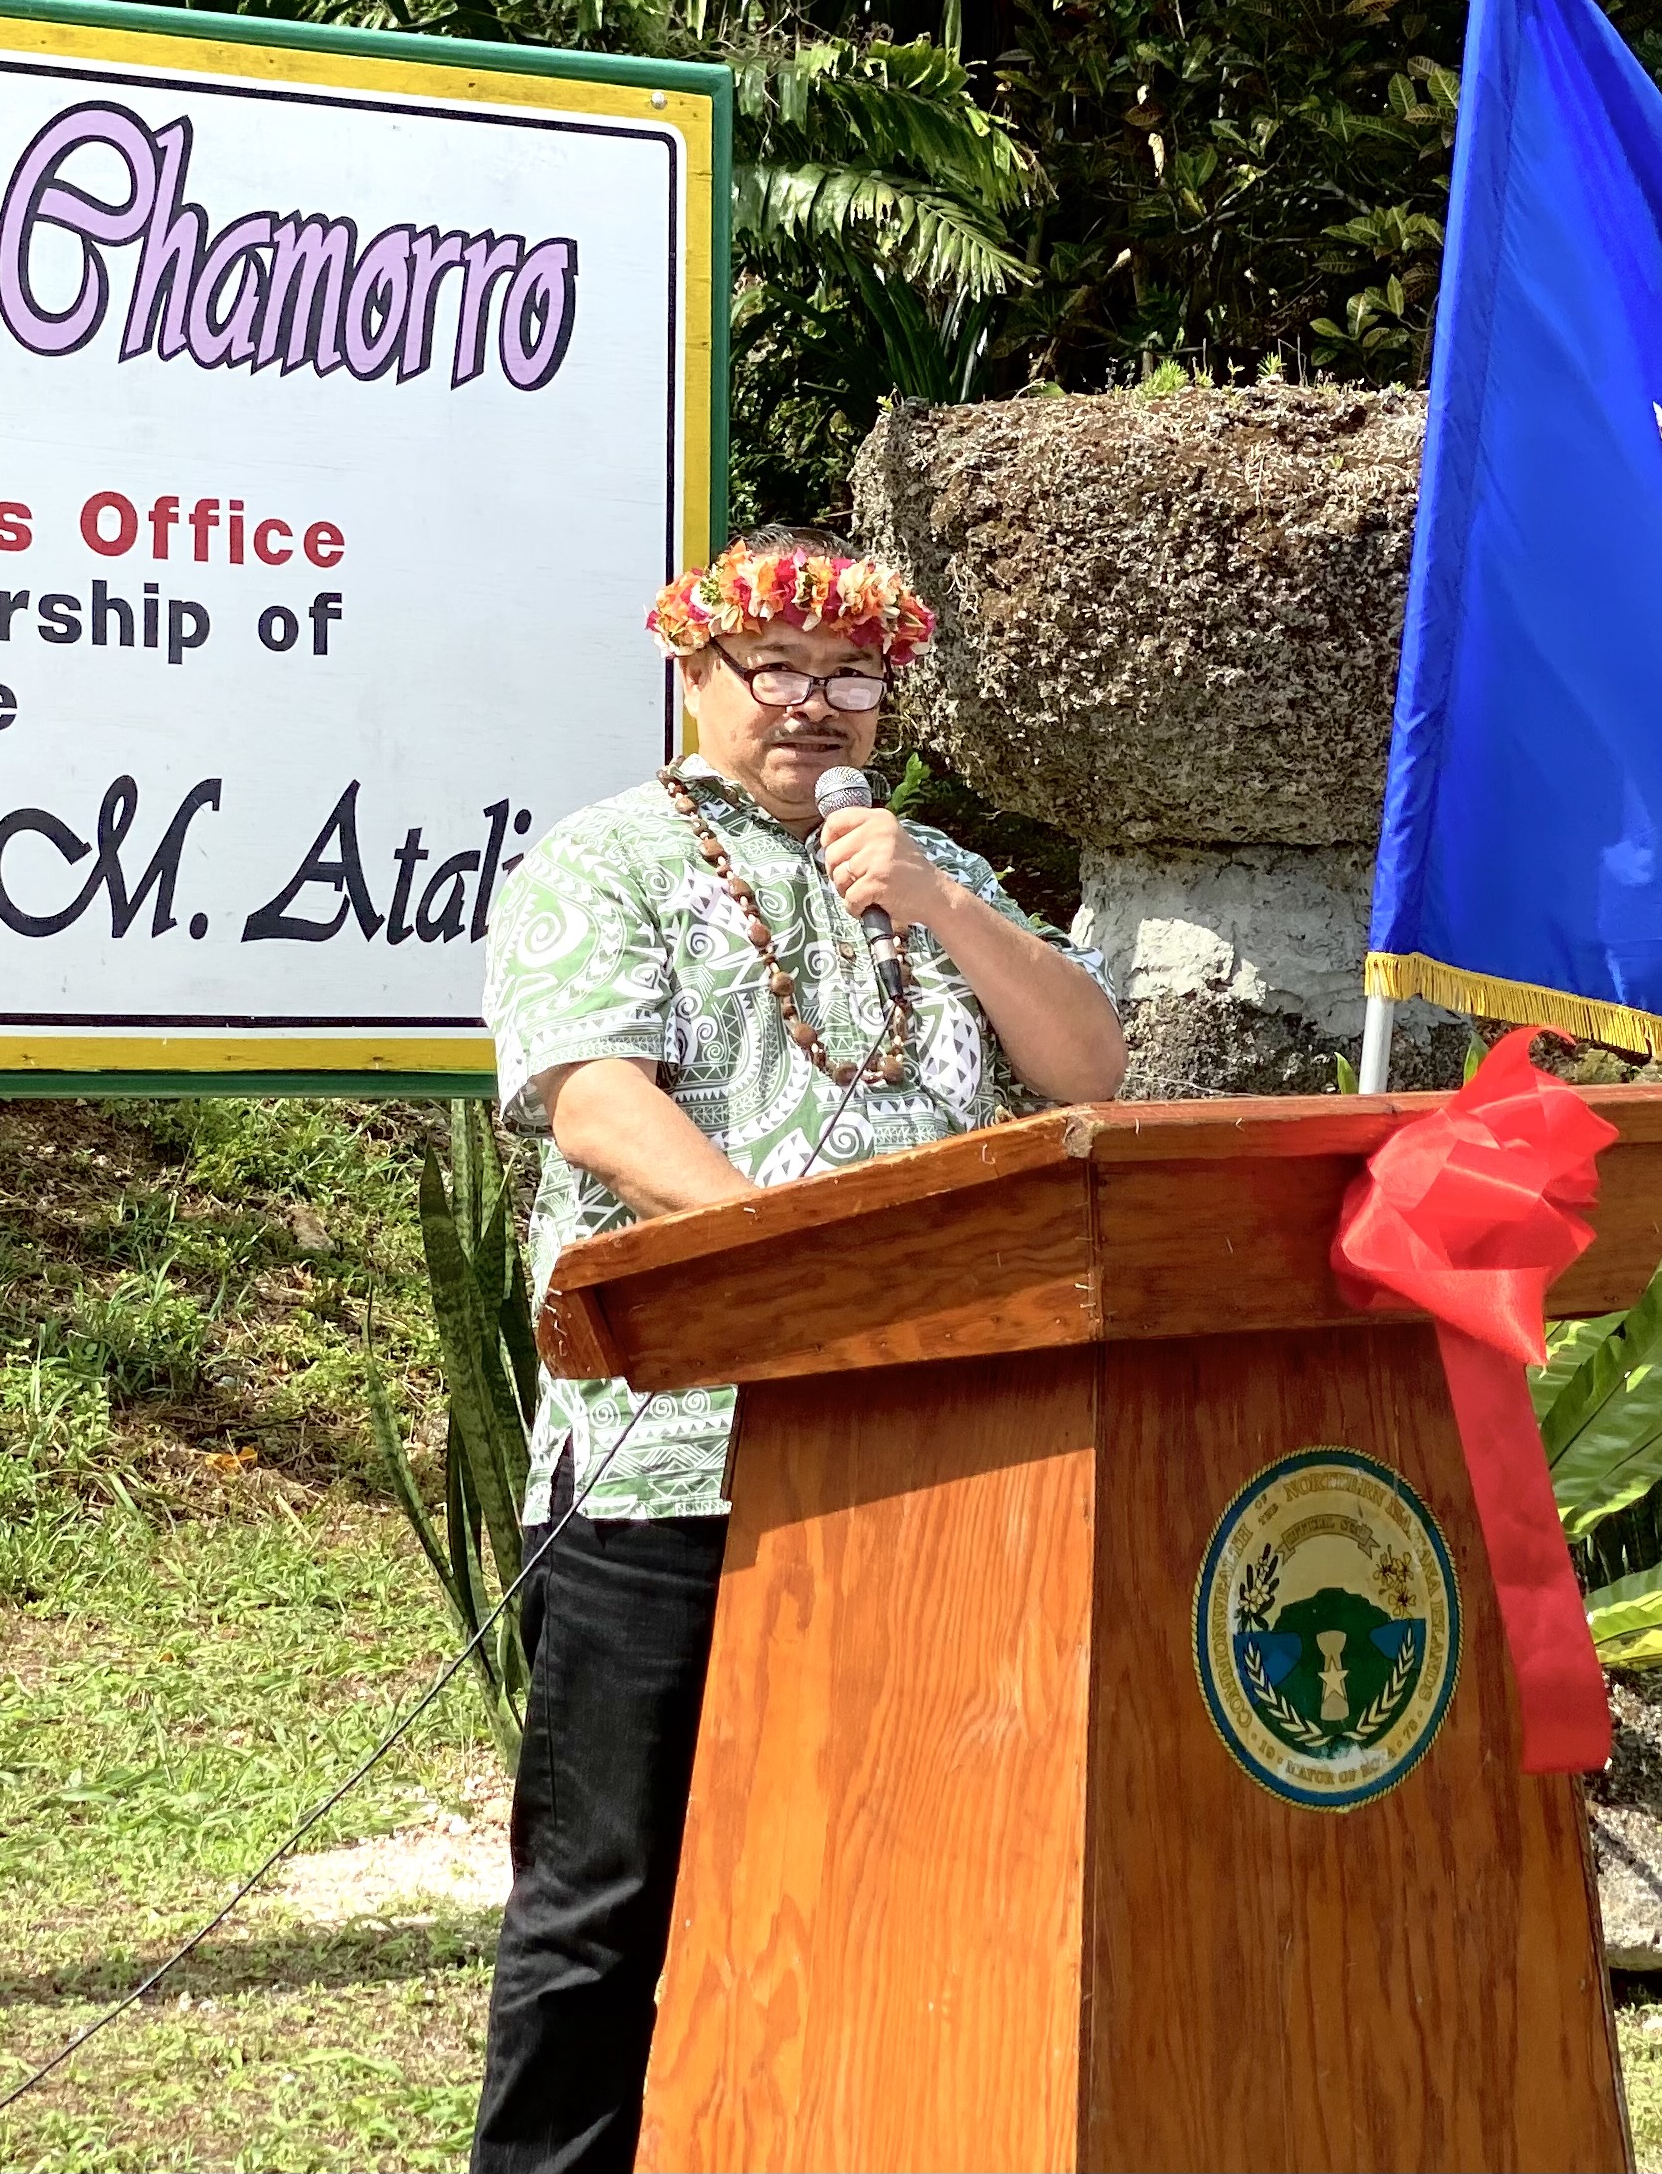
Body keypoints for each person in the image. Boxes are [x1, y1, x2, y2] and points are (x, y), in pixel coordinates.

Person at [471, 529, 1130, 2173]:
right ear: (692, 676)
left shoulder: (935, 867)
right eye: (775, 671)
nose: (814, 706)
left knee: (893, 1862)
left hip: (937, 1447)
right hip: (673, 1459)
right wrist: (803, 1268)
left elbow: (1094, 1067)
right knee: (608, 1896)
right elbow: (599, 1100)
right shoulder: (602, 859)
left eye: (850, 678)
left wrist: (935, 905)